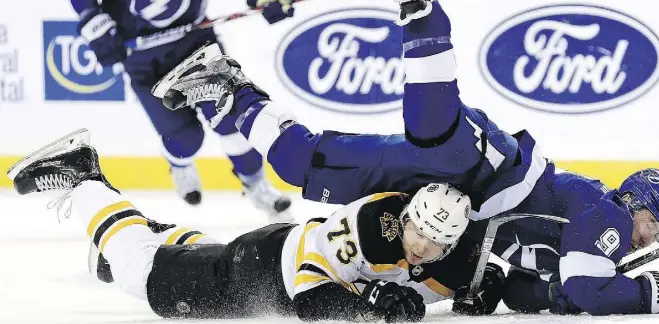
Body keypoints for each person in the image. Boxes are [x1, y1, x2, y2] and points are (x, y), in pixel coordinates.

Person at [149, 0, 659, 316]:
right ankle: (420, 12)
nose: (648, 237)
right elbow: (589, 291)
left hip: (446, 200)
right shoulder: (605, 216)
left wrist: (526, 293)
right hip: (487, 174)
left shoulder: (590, 230)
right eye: (652, 222)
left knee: (303, 166)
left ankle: (226, 88)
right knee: (436, 131)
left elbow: (546, 289)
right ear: (633, 202)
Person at [6, 128, 505, 321]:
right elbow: (312, 301)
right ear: (407, 217)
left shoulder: (422, 238)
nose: (423, 248)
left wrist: (473, 293)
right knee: (145, 276)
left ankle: (148, 230)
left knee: (206, 256)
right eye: (421, 233)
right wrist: (367, 310)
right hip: (263, 271)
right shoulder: (375, 232)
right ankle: (85, 179)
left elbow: (430, 282)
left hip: (270, 249)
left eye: (439, 243)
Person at [59, 0, 293, 217]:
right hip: (144, 61)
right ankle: (180, 163)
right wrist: (94, 23)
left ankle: (256, 185)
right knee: (185, 139)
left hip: (197, 47)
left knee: (231, 117)